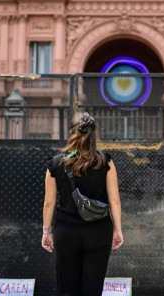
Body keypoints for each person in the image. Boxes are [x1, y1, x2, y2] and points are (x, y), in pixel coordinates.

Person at [42, 112, 123, 296]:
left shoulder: (56, 163)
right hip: (98, 232)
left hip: (66, 232)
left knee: (68, 288)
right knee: (92, 289)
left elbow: (49, 202)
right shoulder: (105, 162)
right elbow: (115, 200)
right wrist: (117, 230)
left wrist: (46, 231)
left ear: (71, 133)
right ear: (94, 135)